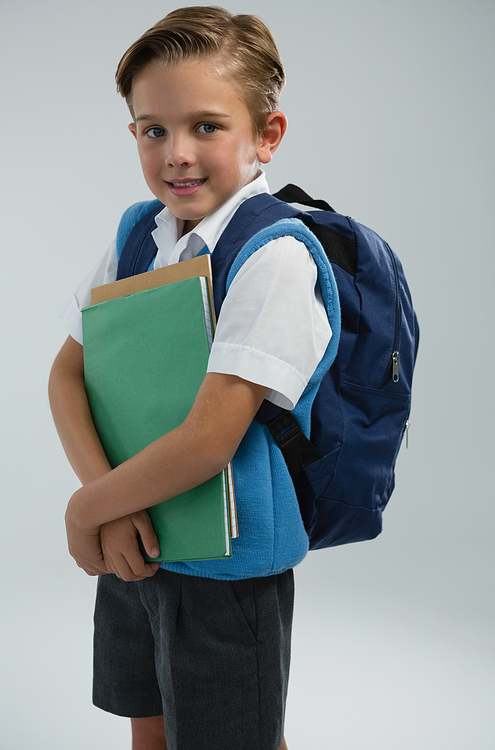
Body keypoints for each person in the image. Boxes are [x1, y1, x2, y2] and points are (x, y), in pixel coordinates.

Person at [49, 7, 339, 750]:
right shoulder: (139, 235)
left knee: (228, 736)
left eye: (207, 126)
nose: (176, 152)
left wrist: (87, 510)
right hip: (139, 540)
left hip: (228, 566)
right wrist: (108, 510)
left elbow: (212, 439)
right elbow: (68, 372)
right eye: (154, 129)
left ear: (266, 135)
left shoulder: (273, 257)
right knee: (149, 720)